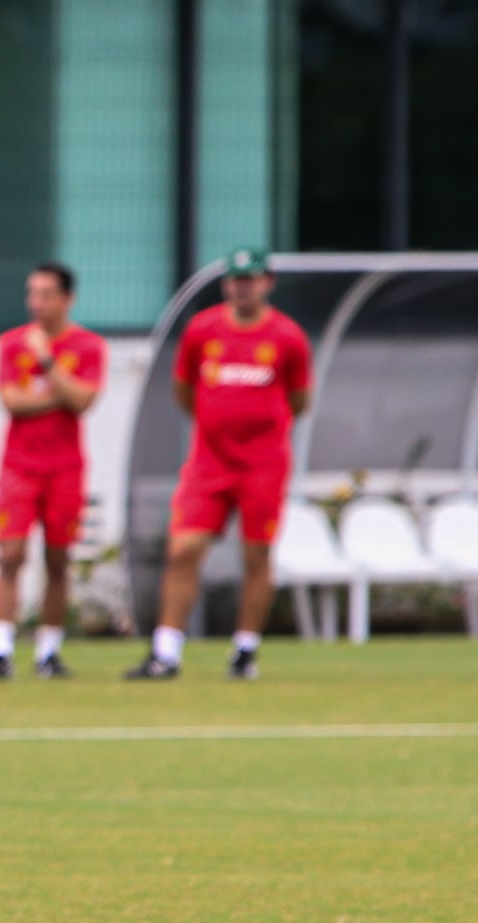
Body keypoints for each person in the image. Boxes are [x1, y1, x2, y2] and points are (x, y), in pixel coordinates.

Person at [127, 247, 312, 680]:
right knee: (183, 550)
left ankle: (245, 650)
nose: (241, 287)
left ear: (267, 283)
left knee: (256, 554)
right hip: (209, 463)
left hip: (263, 464)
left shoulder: (286, 337)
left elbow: (299, 399)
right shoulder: (202, 330)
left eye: (250, 279)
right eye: (235, 280)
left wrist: (258, 426)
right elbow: (185, 389)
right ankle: (166, 652)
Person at [0, 263, 105, 679]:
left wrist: (48, 364)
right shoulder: (10, 343)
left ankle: (48, 653)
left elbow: (84, 401)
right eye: (31, 294)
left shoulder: (87, 346)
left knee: (58, 561)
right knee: (10, 555)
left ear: (67, 299)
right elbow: (12, 402)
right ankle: (0, 652)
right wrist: (61, 393)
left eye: (46, 294)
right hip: (19, 467)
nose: (37, 303)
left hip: (65, 469)